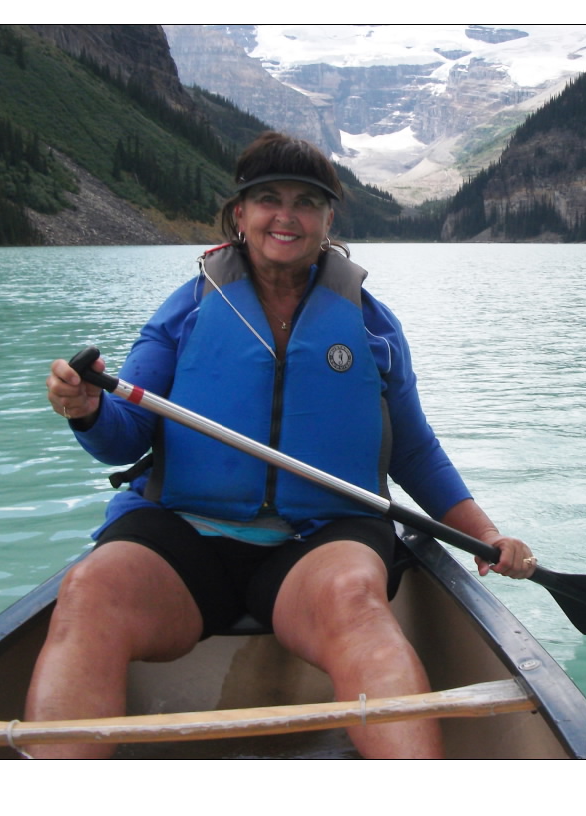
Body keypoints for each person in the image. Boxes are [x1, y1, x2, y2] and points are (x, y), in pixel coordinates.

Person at [28, 131, 537, 759]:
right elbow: (124, 435)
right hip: (182, 536)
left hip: (320, 542)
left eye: (307, 202)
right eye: (268, 199)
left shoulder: (373, 327)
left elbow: (411, 451)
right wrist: (88, 409)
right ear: (240, 215)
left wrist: (487, 535)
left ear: (328, 219)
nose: (286, 216)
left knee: (356, 599)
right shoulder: (185, 312)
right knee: (90, 591)